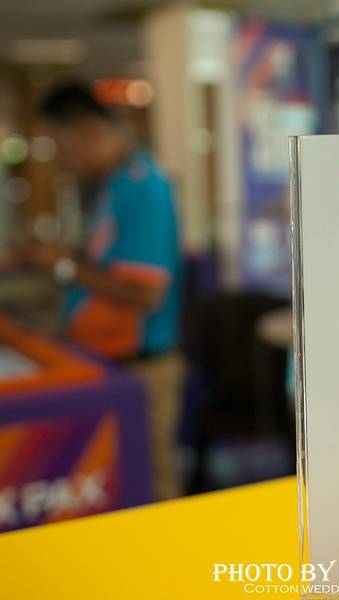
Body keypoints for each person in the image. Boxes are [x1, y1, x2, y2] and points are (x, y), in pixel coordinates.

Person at [17, 80, 183, 499]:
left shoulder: (144, 187)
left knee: (150, 490)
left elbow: (146, 294)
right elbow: (108, 265)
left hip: (142, 370)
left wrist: (65, 266)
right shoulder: (116, 186)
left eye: (62, 147)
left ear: (89, 131)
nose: (62, 162)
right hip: (110, 362)